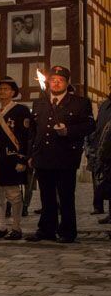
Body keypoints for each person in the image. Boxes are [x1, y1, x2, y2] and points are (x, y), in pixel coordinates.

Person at [27, 66, 95, 243]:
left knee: (65, 196)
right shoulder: (39, 103)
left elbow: (89, 126)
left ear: (67, 83)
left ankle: (67, 231)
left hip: (65, 156)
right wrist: (31, 154)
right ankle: (46, 229)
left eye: (60, 80)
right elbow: (34, 132)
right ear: (48, 82)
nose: (56, 83)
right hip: (43, 156)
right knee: (46, 195)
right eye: (53, 79)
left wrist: (69, 131)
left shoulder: (79, 103)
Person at [0, 77, 33, 241]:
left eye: (6, 89)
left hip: (11, 159)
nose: (2, 91)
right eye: (0, 89)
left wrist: (23, 159)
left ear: (13, 92)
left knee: (14, 195)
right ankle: (1, 226)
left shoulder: (21, 111)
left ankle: (16, 227)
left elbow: (26, 137)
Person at [87, 93, 111, 221]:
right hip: (103, 149)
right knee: (103, 180)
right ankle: (101, 208)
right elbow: (98, 126)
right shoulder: (105, 105)